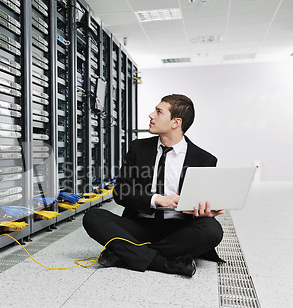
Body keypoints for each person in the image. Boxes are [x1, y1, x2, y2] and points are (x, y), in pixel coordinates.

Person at [83, 94, 225, 277]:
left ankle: (125, 254)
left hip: (179, 229)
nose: (151, 115)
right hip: (140, 225)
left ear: (176, 122)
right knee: (93, 216)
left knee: (212, 230)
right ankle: (164, 263)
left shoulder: (204, 159)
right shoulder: (138, 149)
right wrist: (158, 200)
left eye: (158, 112)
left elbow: (203, 201)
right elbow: (121, 192)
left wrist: (205, 210)